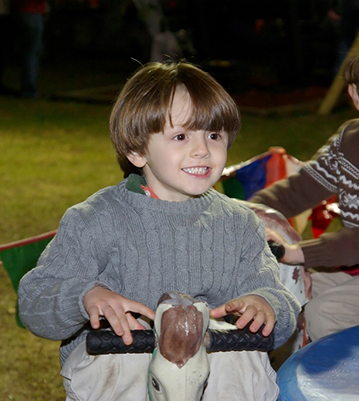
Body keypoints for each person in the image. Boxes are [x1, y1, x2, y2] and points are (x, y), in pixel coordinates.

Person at [18, 61, 300, 400]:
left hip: (214, 376)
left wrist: (266, 304)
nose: (202, 150)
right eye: (181, 136)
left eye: (214, 135)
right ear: (137, 150)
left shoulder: (239, 224)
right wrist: (86, 296)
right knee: (119, 364)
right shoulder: (96, 220)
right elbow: (35, 302)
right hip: (120, 372)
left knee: (243, 364)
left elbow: (279, 302)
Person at [249, 53, 359, 343]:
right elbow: (299, 190)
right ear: (355, 94)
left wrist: (297, 252)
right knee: (284, 294)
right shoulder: (350, 140)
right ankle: (283, 366)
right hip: (353, 269)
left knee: (325, 313)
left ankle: (339, 374)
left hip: (353, 259)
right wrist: (249, 212)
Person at [12, 0, 47, 98]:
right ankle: (29, 89)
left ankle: (27, 86)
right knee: (32, 52)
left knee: (28, 51)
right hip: (32, 12)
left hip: (23, 12)